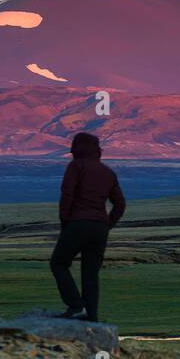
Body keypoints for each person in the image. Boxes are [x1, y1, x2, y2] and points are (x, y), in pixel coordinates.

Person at [50, 131, 125, 322]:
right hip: (99, 227)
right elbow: (120, 204)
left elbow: (67, 195)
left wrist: (65, 222)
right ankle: (92, 317)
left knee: (59, 263)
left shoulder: (76, 166)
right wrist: (107, 225)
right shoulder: (108, 172)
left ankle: (75, 305)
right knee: (90, 273)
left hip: (77, 223)